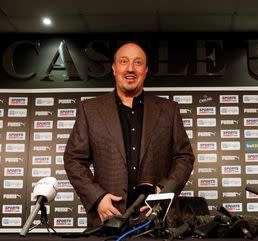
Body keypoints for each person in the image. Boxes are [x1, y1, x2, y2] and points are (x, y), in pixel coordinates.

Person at [64, 42, 194, 227]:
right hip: (107, 219)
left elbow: (184, 156)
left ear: (146, 70)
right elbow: (73, 160)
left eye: (138, 62)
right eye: (123, 62)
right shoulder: (90, 110)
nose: (130, 69)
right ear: (114, 69)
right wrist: (97, 198)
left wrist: (164, 193)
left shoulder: (168, 110)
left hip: (157, 220)